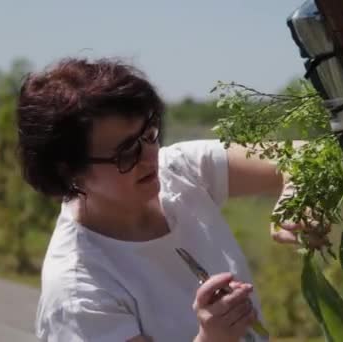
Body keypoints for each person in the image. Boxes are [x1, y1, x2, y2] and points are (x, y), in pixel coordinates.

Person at [16, 58, 302, 342]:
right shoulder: (78, 292)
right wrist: (212, 338)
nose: (151, 157)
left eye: (150, 135)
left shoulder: (177, 170)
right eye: (126, 153)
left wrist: (295, 195)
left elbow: (303, 157)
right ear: (70, 171)